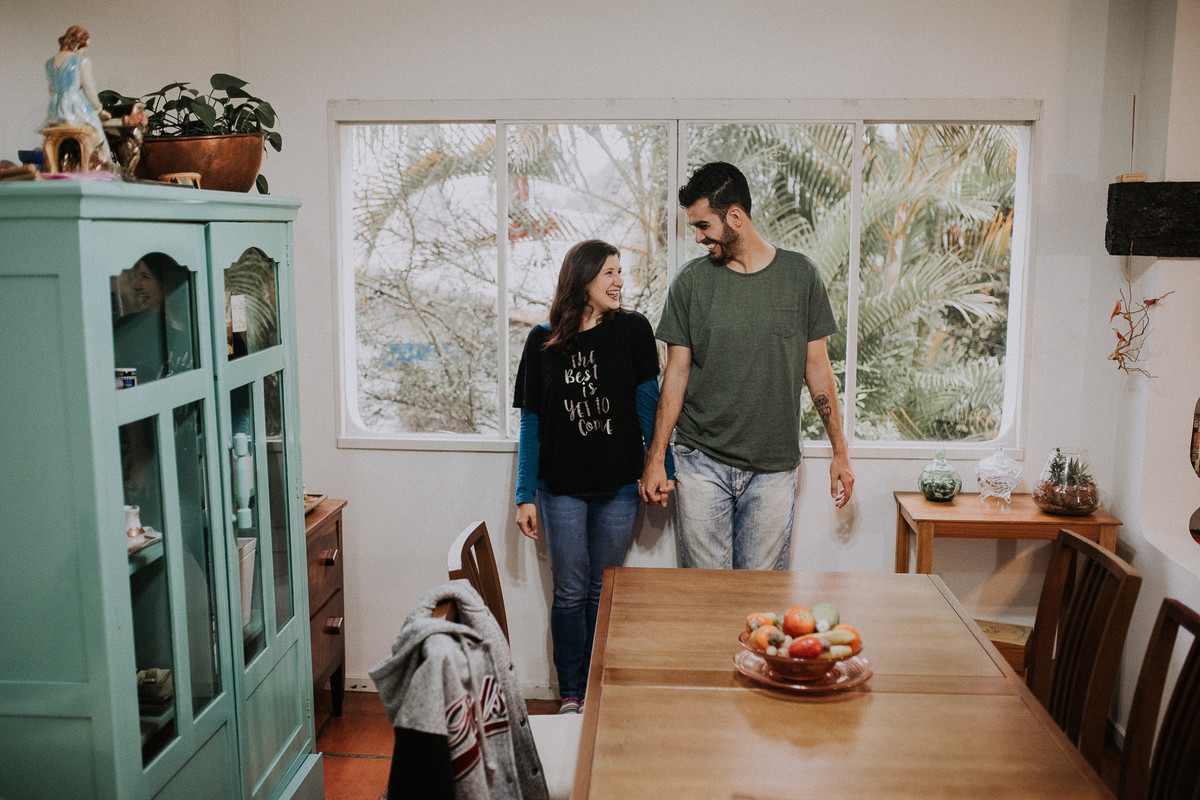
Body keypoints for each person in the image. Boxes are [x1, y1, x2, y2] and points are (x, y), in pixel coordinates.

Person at [639, 161, 854, 570]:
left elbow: (819, 371)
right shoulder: (690, 283)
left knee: (760, 601)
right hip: (700, 461)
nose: (699, 237)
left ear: (734, 216)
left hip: (774, 468)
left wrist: (840, 453)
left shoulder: (800, 275)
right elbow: (676, 375)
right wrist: (655, 459)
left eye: (704, 226)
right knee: (706, 599)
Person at [513, 239, 674, 714]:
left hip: (620, 487)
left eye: (620, 271)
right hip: (559, 489)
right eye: (608, 272)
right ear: (581, 278)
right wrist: (525, 494)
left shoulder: (635, 330)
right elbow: (531, 422)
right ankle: (572, 694)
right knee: (568, 591)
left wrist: (661, 468)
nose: (619, 281)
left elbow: (650, 406)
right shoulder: (543, 339)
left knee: (602, 592)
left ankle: (597, 690)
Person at [44, 25, 112, 164]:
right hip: (74, 107)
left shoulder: (49, 63)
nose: (85, 50)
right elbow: (89, 90)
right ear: (78, 45)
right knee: (96, 129)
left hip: (55, 110)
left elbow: (52, 89)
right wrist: (98, 109)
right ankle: (102, 163)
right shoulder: (82, 61)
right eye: (85, 46)